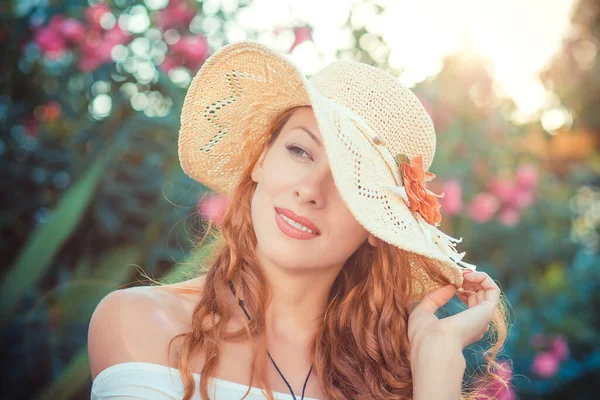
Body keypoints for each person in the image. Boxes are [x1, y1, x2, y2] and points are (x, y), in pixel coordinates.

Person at [88, 40, 509, 400]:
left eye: (350, 183)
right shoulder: (134, 323)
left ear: (377, 229)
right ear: (260, 161)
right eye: (300, 151)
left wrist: (438, 358)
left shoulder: (397, 377)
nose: (310, 189)